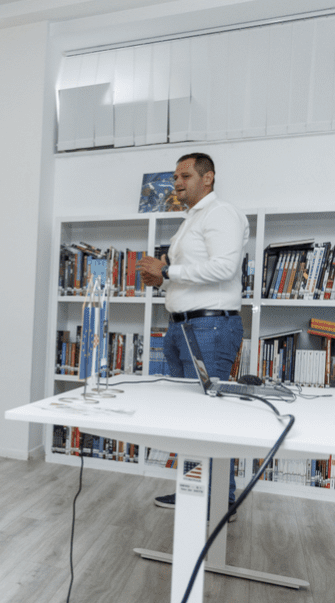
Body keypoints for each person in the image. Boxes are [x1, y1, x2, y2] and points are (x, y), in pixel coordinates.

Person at [137, 153, 248, 515]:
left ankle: (220, 499)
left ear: (208, 178)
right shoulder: (191, 220)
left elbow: (224, 267)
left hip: (209, 327)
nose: (177, 182)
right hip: (182, 327)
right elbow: (190, 272)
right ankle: (195, 492)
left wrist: (168, 272)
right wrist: (161, 276)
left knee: (209, 417)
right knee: (188, 418)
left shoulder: (221, 213)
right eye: (175, 177)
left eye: (185, 176)